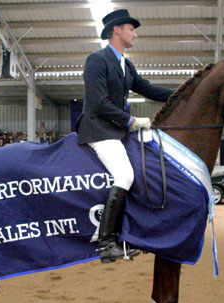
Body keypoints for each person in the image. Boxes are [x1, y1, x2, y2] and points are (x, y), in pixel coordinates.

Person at [76, 9, 174, 263]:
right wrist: (131, 120)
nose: (135, 34)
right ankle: (107, 243)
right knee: (125, 175)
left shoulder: (126, 65)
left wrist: (182, 94)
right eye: (131, 29)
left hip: (115, 130)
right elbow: (98, 103)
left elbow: (148, 89)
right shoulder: (97, 60)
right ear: (116, 30)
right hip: (98, 129)